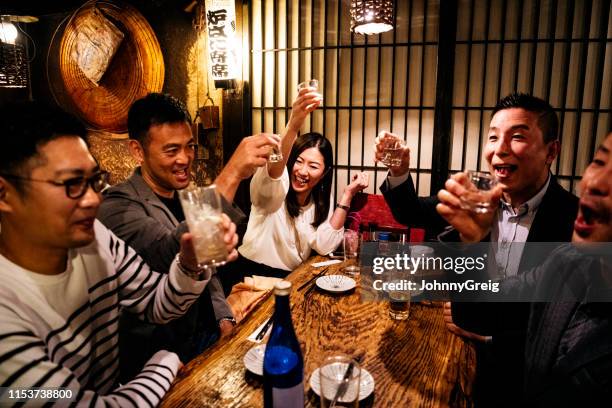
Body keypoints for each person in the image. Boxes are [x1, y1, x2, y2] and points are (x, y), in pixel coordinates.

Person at [0, 101, 238, 406]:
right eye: (72, 184)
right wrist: (161, 365)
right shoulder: (7, 314)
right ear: (5, 194)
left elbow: (156, 302)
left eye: (94, 181)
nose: (92, 200)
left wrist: (190, 265)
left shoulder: (94, 239)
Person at [375, 93, 579, 405]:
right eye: (494, 137)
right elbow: (411, 212)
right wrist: (399, 169)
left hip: (523, 381)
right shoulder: (478, 199)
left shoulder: (575, 221)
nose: (499, 149)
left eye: (518, 137)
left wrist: (489, 338)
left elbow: (563, 329)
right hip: (452, 355)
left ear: (551, 151)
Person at [97, 93, 279, 378]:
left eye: (189, 146)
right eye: (171, 150)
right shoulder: (117, 206)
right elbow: (171, 253)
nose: (184, 159)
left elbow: (209, 264)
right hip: (160, 356)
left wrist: (224, 316)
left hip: (206, 333)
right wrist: (231, 173)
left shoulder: (186, 196)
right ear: (137, 150)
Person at [436, 131, 612, 405]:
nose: (595, 183)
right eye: (599, 162)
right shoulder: (567, 262)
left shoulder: (564, 216)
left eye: (518, 137)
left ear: (551, 153)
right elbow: (478, 310)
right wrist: (471, 242)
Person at [226, 86, 369, 282]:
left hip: (292, 280)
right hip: (252, 278)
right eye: (299, 161)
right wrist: (294, 124)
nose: (302, 171)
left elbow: (324, 245)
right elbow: (273, 175)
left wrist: (347, 195)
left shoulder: (320, 201)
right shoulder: (276, 189)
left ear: (325, 172)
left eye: (313, 166)